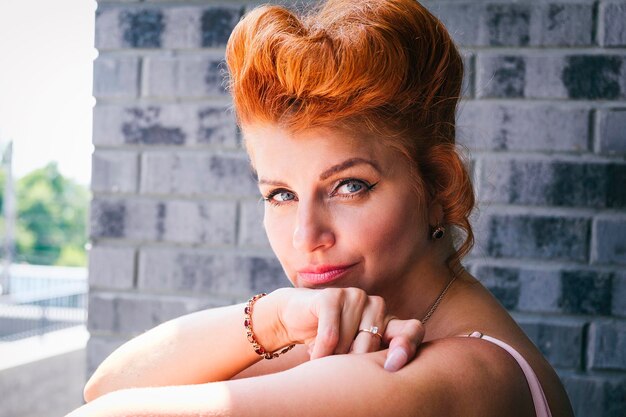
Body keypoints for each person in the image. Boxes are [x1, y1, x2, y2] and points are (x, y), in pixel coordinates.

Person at [67, 0, 575, 416]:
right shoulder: (355, 329)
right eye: (280, 195)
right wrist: (279, 316)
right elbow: (105, 388)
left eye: (349, 186)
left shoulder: (462, 372)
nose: (306, 236)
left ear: (439, 187)